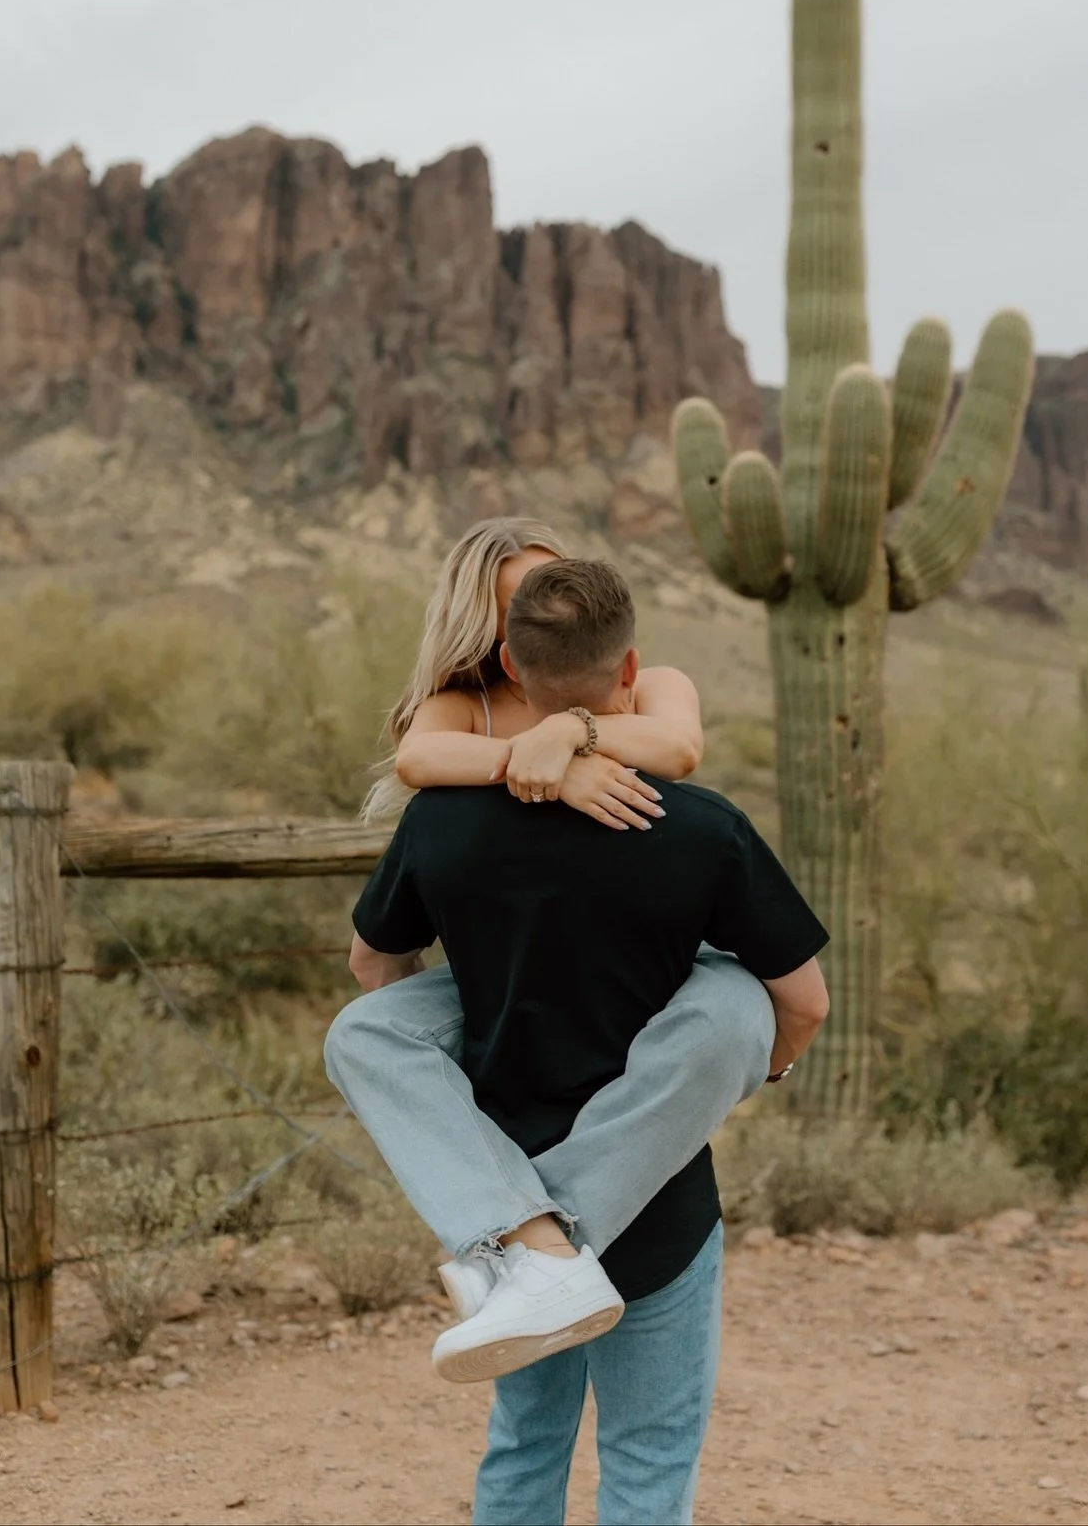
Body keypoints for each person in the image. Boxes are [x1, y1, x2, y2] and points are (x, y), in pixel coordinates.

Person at [327, 559, 829, 1526]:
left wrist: (472, 1060)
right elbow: (802, 1002)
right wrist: (747, 1067)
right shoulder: (702, 828)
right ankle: (557, 1251)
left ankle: (538, 1254)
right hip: (661, 1200)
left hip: (508, 1196)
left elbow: (372, 962)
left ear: (513, 668)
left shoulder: (442, 822)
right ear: (628, 668)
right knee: (649, 1458)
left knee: (525, 1447)